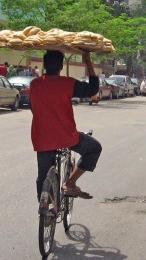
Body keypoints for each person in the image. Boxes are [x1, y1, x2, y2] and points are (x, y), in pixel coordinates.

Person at [30, 51, 102, 201]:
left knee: (43, 176)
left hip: (42, 137)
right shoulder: (68, 83)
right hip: (66, 137)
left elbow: (33, 109)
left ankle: (44, 207)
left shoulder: (34, 84)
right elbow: (93, 89)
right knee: (94, 148)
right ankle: (70, 182)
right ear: (61, 66)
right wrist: (88, 61)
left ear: (44, 65)